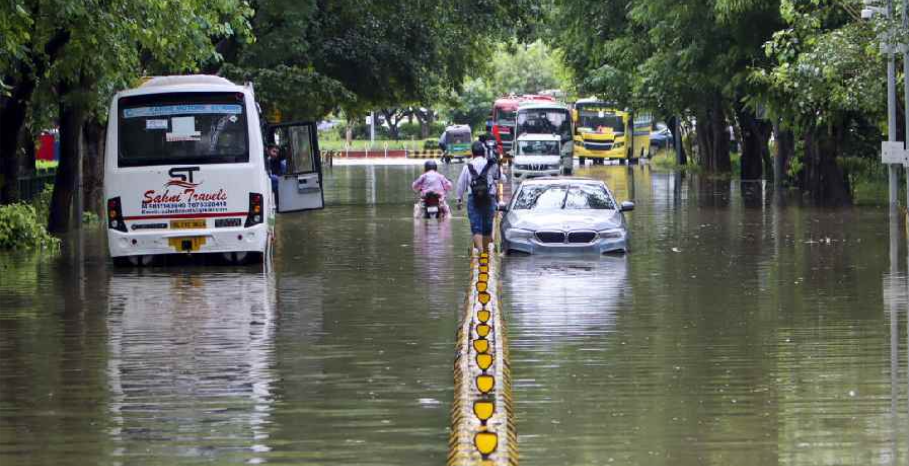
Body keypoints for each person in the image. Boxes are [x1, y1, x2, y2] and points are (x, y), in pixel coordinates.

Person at [456, 141, 500, 253]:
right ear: (484, 153)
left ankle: (480, 251)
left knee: (476, 227)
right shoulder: (491, 164)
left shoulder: (468, 167)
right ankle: (485, 251)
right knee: (487, 227)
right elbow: (501, 179)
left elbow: (461, 184)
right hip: (489, 197)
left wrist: (459, 200)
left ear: (473, 153)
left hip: (473, 198)